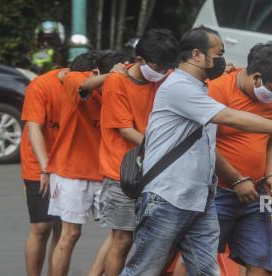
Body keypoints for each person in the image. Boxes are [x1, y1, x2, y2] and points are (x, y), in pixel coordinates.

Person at [121, 25, 272, 276]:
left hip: (199, 198)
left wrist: (270, 172)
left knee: (206, 270)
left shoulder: (200, 87)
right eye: (218, 54)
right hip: (167, 197)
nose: (223, 61)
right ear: (197, 55)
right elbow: (229, 117)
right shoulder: (179, 88)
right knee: (143, 271)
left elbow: (208, 142)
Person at [211, 42, 272, 275]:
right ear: (257, 78)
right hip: (215, 192)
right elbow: (204, 145)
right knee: (198, 259)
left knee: (260, 261)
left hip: (256, 193)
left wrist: (271, 175)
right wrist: (236, 180)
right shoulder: (217, 90)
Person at [96, 29, 178, 276]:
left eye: (166, 67)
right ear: (139, 59)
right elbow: (125, 130)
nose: (162, 72)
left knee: (155, 240)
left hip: (155, 173)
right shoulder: (117, 81)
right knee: (122, 241)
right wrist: (165, 148)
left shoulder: (165, 77)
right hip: (122, 174)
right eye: (158, 66)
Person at [45, 51, 129, 276]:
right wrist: (112, 76)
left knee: (119, 234)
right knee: (70, 234)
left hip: (106, 172)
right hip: (72, 171)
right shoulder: (75, 78)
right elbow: (79, 82)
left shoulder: (122, 88)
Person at [20, 52, 103, 276]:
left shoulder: (94, 89)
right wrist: (46, 167)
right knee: (41, 227)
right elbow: (33, 127)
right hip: (40, 160)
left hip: (69, 161)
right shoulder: (42, 85)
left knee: (63, 228)